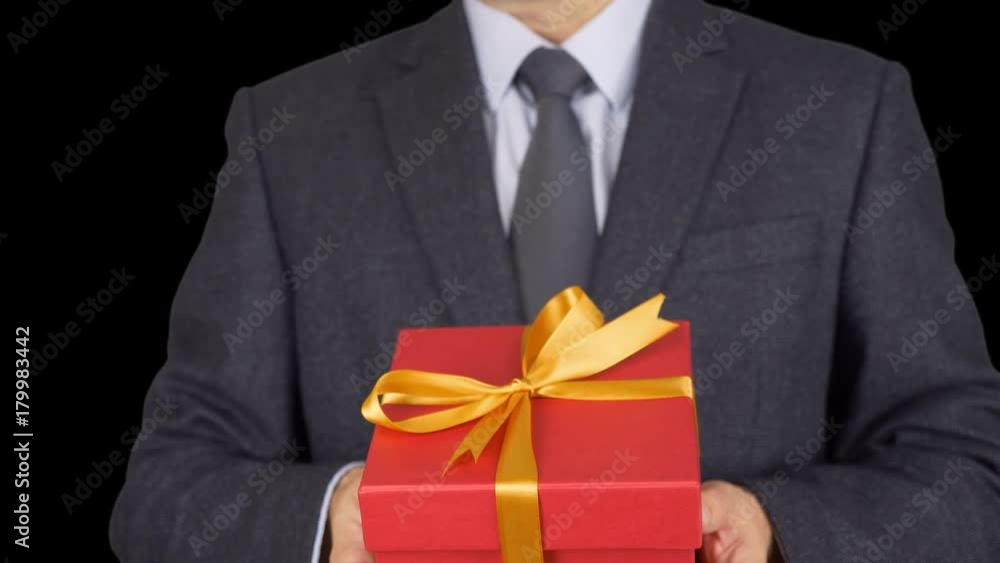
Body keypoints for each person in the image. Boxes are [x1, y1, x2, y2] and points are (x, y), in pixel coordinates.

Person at [109, 1, 1000, 562]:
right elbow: (168, 483)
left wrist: (777, 529)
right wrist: (332, 518)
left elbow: (963, 464)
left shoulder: (840, 106)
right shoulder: (295, 128)